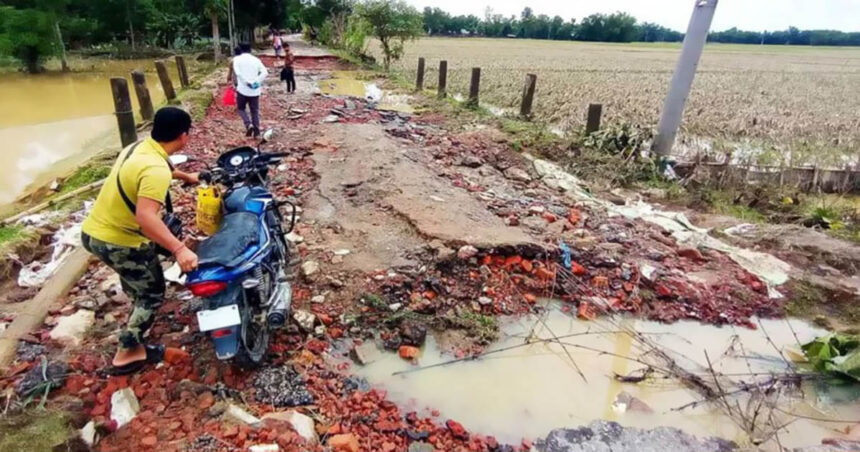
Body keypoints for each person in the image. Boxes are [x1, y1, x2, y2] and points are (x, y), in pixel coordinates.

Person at [81, 107, 199, 375]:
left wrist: (185, 176)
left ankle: (137, 302)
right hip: (118, 241)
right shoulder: (155, 170)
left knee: (137, 278)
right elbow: (146, 217)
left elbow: (159, 169)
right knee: (153, 290)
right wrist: (180, 249)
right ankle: (128, 351)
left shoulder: (138, 148)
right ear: (183, 136)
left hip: (92, 233)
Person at [232, 42, 267, 137]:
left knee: (241, 108)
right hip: (254, 90)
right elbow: (265, 72)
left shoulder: (237, 59)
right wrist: (255, 82)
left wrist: (246, 82)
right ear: (250, 49)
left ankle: (248, 124)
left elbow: (238, 73)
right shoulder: (256, 60)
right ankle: (257, 132)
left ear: (241, 49)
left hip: (242, 89)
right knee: (254, 111)